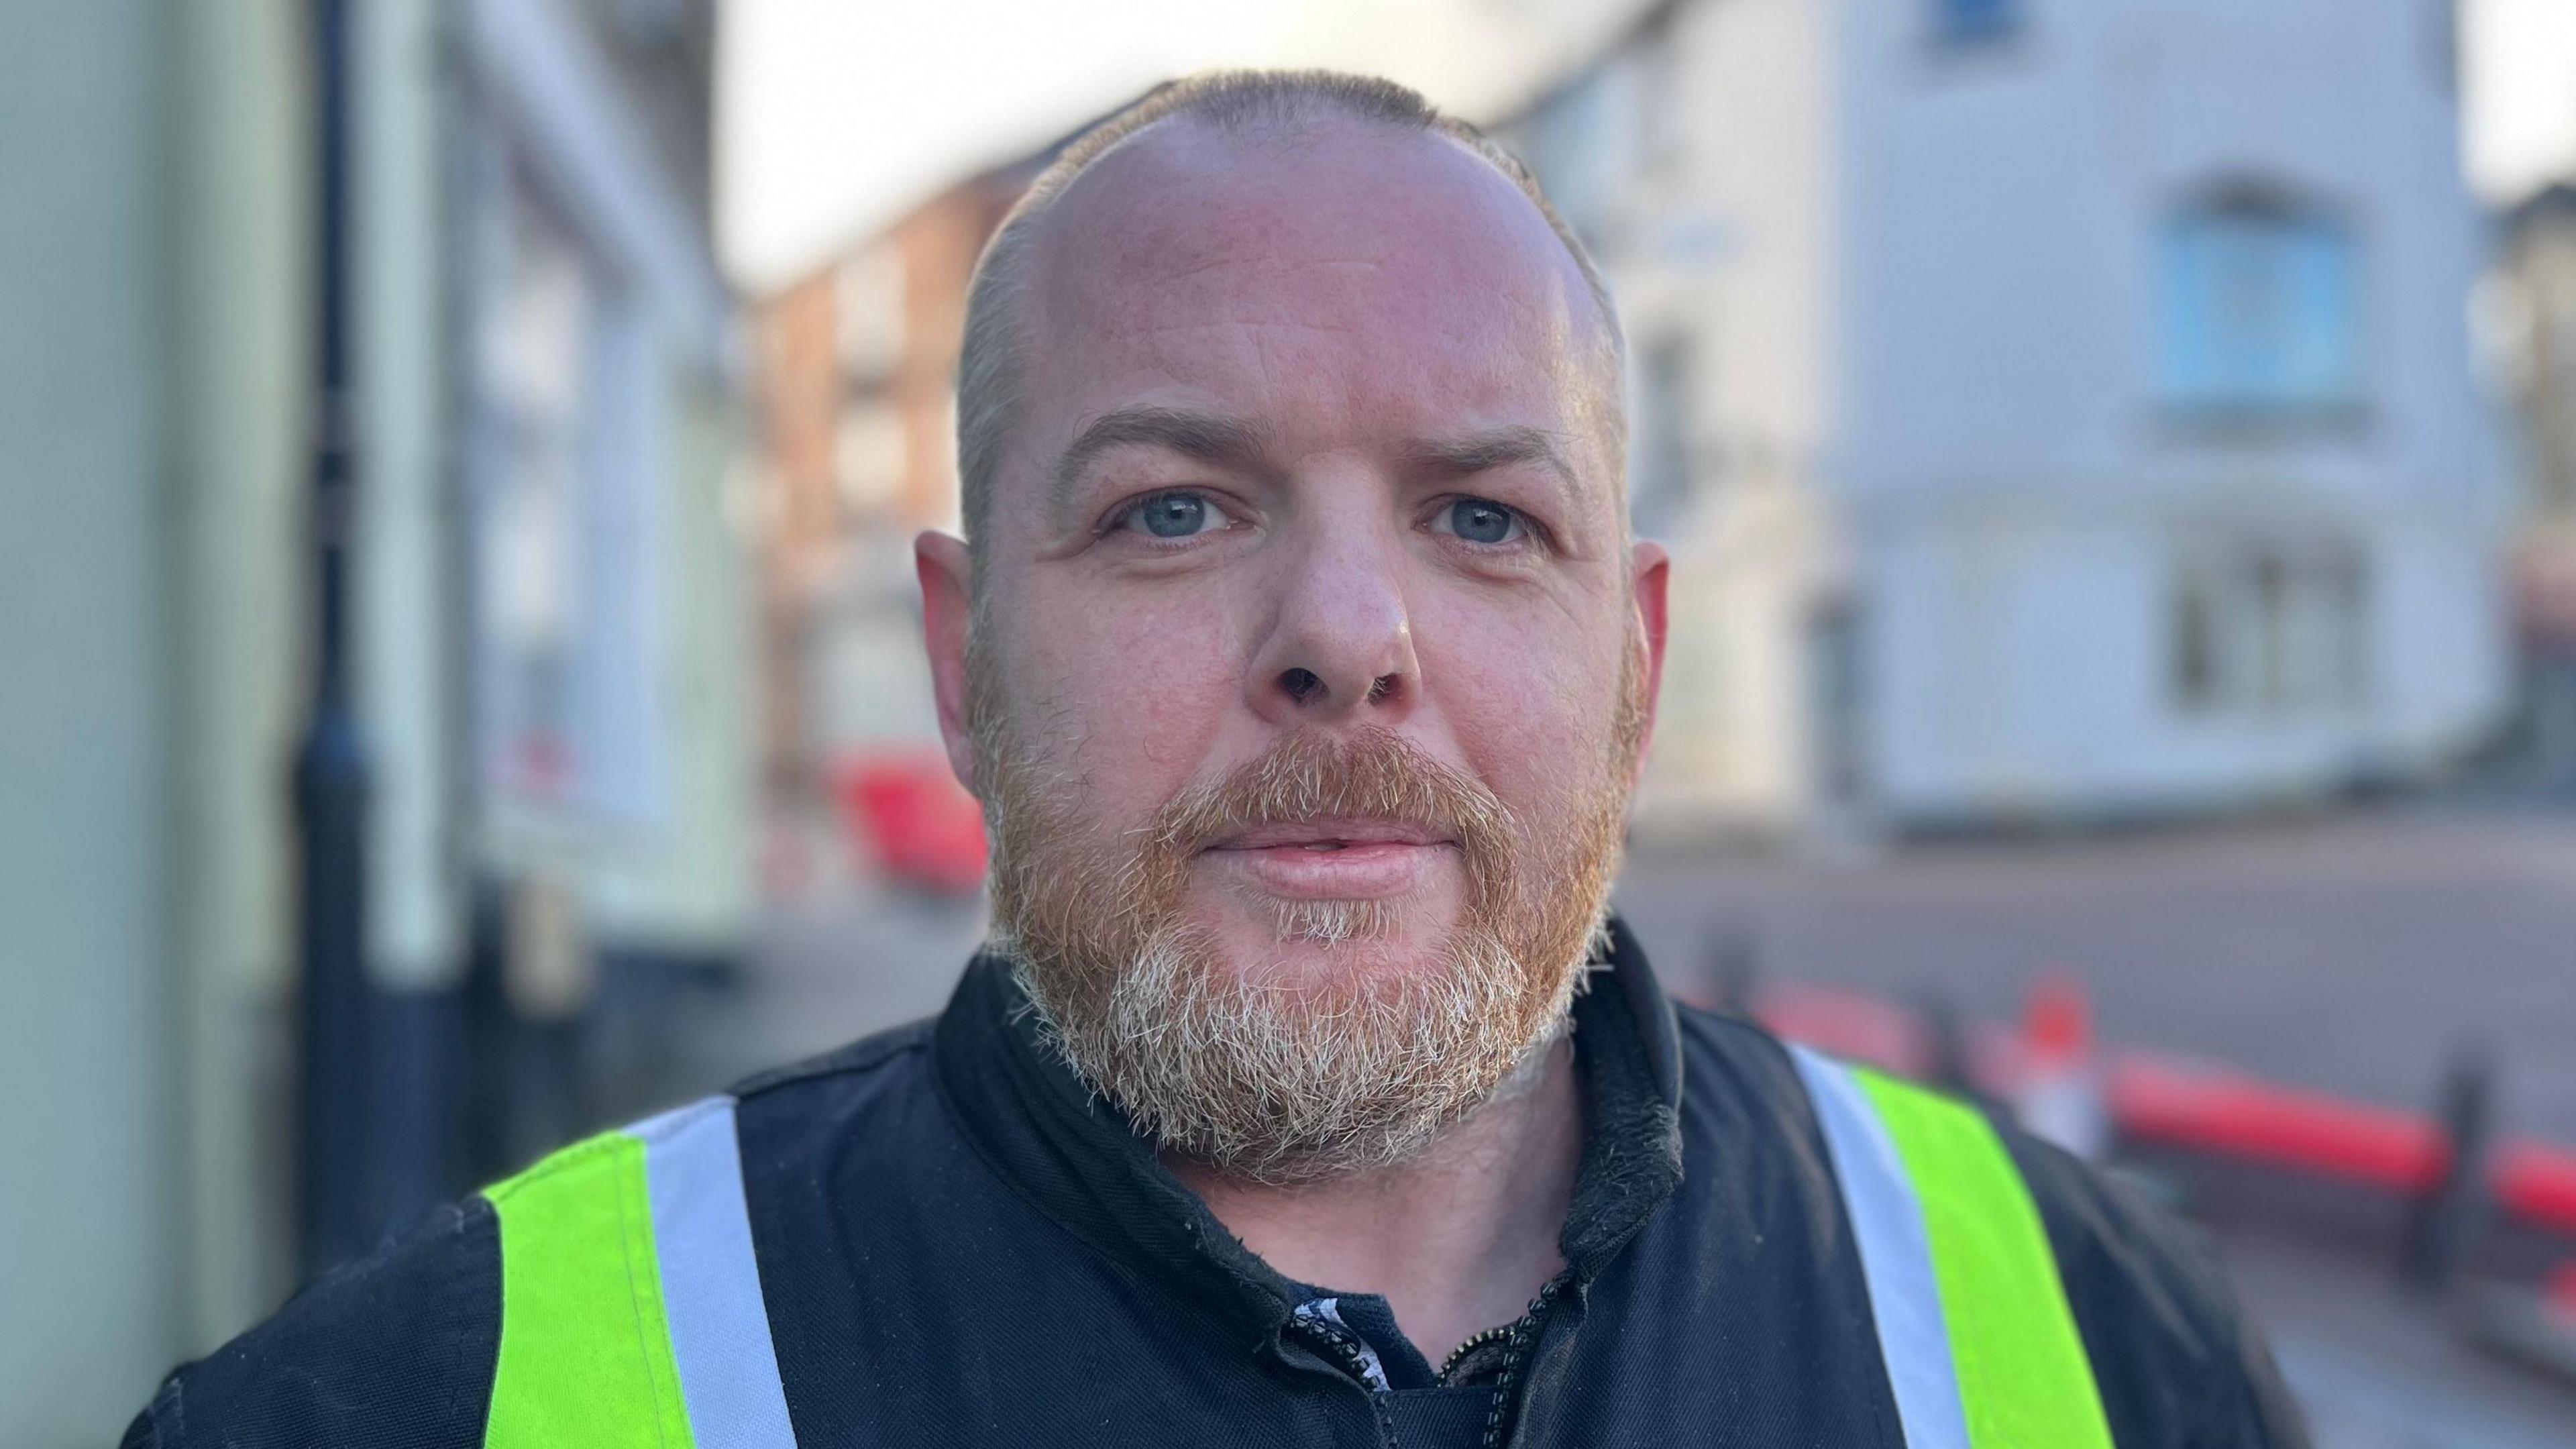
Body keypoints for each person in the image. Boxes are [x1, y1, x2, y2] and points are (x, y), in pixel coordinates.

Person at [125, 70, 2305, 1448]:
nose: (1345, 645)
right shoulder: (418, 1399)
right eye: (1173, 510)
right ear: (966, 663)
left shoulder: (2100, 1333)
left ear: (1633, 663)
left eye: (1482, 518)